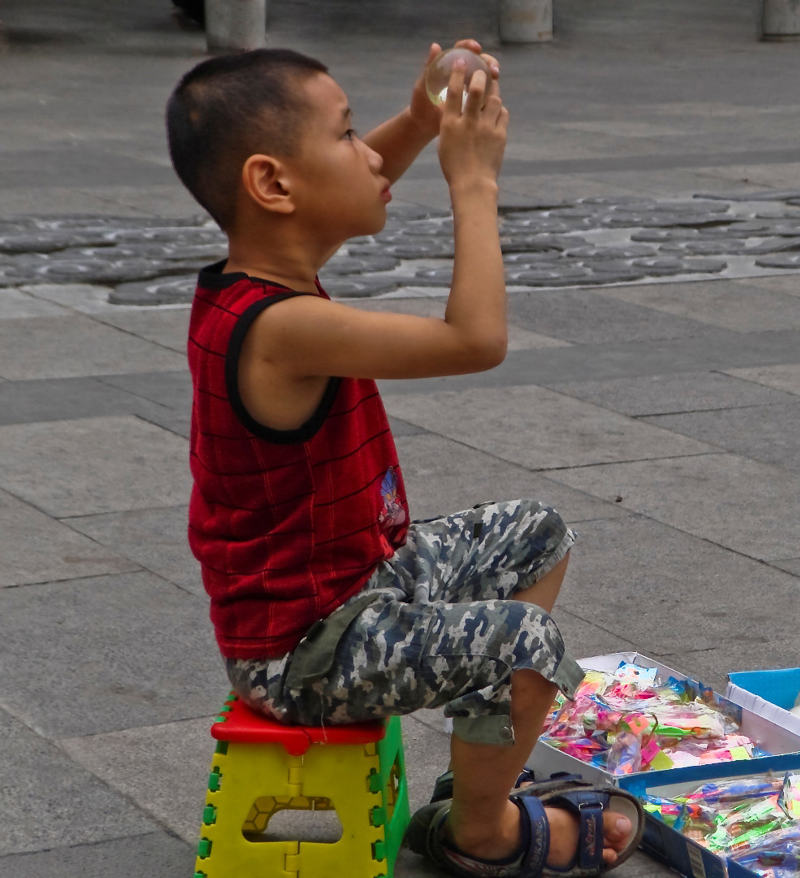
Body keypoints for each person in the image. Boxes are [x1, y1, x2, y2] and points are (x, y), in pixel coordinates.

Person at [165, 44, 643, 877]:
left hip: (355, 584)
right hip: (305, 653)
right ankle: (482, 836)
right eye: (348, 136)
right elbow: (475, 339)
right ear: (273, 185)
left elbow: (352, 176)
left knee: (536, 532)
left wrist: (424, 116)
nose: (371, 155)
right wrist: (474, 181)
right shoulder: (282, 328)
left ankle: (473, 787)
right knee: (525, 642)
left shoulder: (261, 280)